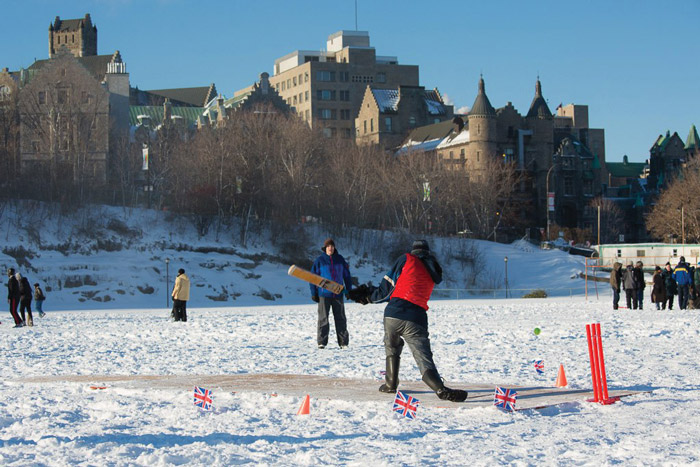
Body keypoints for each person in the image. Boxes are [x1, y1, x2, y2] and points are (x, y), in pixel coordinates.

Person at [348, 239, 468, 402]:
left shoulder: (407, 259)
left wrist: (366, 296)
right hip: (416, 318)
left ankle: (390, 385)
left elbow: (386, 290)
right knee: (423, 357)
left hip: (394, 314)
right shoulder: (433, 272)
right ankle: (440, 389)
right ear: (428, 253)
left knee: (392, 347)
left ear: (414, 251)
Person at [310, 238, 352, 349]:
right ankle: (322, 342)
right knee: (323, 318)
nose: (330, 248)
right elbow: (312, 278)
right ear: (325, 248)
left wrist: (349, 290)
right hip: (324, 294)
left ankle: (343, 342)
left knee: (341, 318)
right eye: (328, 246)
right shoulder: (320, 261)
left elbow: (347, 276)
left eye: (332, 246)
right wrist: (314, 293)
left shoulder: (340, 259)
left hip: (338, 294)